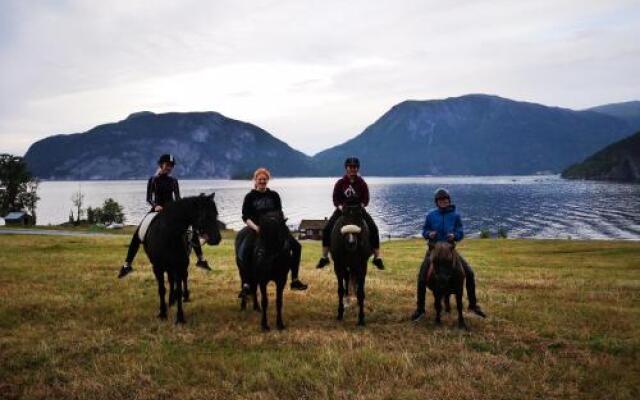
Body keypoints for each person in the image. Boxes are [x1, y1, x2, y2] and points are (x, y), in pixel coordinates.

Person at [117, 154, 210, 278]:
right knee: (139, 233)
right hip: (156, 210)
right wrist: (155, 206)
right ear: (161, 165)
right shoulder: (153, 180)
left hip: (172, 211)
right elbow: (148, 198)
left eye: (171, 166)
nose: (169, 168)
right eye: (167, 165)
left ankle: (201, 259)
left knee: (190, 230)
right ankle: (127, 264)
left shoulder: (174, 181)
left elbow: (177, 198)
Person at [411, 188, 486, 321]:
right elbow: (424, 231)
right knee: (421, 277)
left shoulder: (456, 216)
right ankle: (420, 309)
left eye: (445, 200)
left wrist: (455, 236)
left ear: (449, 201)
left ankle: (473, 305)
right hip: (433, 251)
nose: (443, 202)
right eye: (441, 200)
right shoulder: (430, 215)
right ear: (437, 202)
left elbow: (460, 232)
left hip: (450, 251)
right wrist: (429, 234)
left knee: (469, 273)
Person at [237, 167, 308, 291]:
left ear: (268, 180)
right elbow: (245, 216)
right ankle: (247, 282)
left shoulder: (274, 195)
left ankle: (295, 280)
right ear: (255, 180)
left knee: (297, 246)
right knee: (245, 249)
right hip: (257, 228)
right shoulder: (250, 197)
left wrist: (281, 223)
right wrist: (256, 227)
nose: (262, 181)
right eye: (260, 179)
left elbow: (279, 212)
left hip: (275, 228)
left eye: (264, 179)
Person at [316, 157, 385, 270]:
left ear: (357, 169)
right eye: (350, 167)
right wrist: (340, 207)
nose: (353, 169)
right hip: (342, 210)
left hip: (358, 210)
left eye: (355, 167)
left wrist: (360, 206)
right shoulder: (340, 183)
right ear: (346, 168)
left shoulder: (362, 183)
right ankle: (324, 257)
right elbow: (335, 199)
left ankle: (377, 257)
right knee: (327, 229)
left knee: (373, 228)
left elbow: (366, 199)